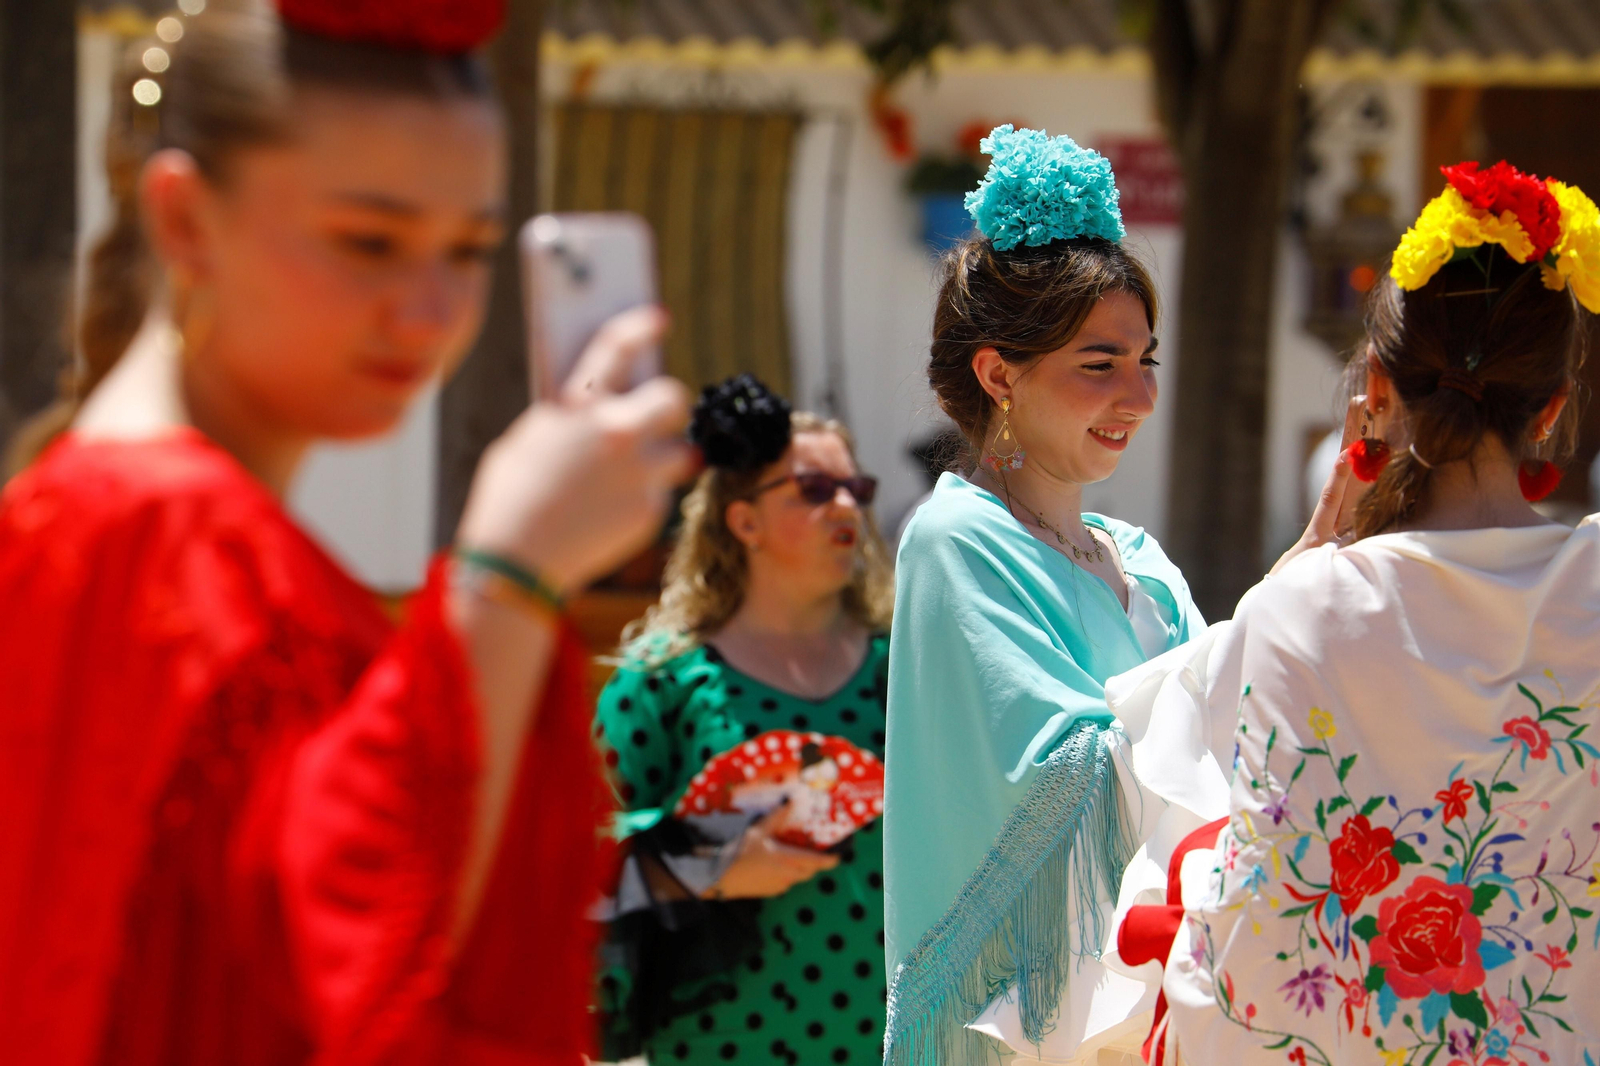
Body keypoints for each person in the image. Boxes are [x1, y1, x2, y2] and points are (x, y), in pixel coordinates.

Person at [0, 2, 695, 1063]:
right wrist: (508, 575)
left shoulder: (95, 515)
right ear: (186, 221)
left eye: (465, 250)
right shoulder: (164, 538)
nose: (428, 310)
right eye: (368, 242)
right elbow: (350, 985)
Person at [1144, 161, 1600, 1065]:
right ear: (1549, 411)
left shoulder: (1303, 606)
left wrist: (1300, 564)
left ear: (1378, 396)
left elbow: (1219, 835)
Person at [593, 375, 895, 1066]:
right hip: (721, 1041)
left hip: (887, 1037)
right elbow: (582, 857)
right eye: (814, 490)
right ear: (743, 520)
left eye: (858, 488)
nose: (846, 504)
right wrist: (710, 863)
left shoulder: (904, 668)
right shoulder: (662, 679)